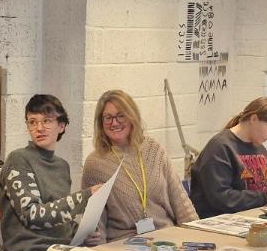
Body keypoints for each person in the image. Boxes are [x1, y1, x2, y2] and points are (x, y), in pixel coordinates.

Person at [80, 90, 198, 241]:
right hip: (125, 244)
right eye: (108, 117)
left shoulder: (155, 150)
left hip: (167, 238)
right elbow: (95, 227)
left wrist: (198, 236)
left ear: (132, 117)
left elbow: (181, 202)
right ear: (100, 123)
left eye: (120, 115)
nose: (114, 123)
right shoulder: (95, 164)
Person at [0, 94, 102, 251]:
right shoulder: (18, 159)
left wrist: (82, 234)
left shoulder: (62, 166)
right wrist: (85, 197)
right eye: (32, 122)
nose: (39, 128)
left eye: (46, 121)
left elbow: (59, 219)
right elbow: (32, 216)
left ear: (61, 126)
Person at [190, 97, 267, 217]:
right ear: (253, 119)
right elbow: (221, 197)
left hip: (255, 216)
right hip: (221, 220)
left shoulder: (258, 147)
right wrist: (264, 196)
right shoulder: (220, 147)